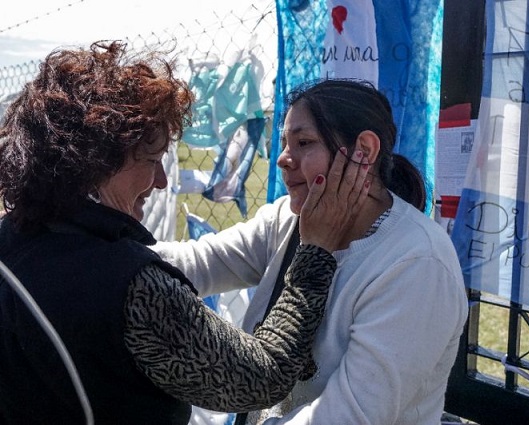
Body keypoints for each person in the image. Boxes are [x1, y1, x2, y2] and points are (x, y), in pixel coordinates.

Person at [0, 42, 370, 425]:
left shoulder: (12, 240)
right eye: (150, 161)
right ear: (94, 164)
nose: (161, 181)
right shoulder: (134, 288)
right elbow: (260, 378)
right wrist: (315, 252)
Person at [153, 79, 469, 425]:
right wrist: (107, 251)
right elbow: (196, 264)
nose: (283, 160)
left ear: (363, 150)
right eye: (285, 143)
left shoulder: (417, 263)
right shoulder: (286, 221)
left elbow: (351, 414)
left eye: (304, 143)